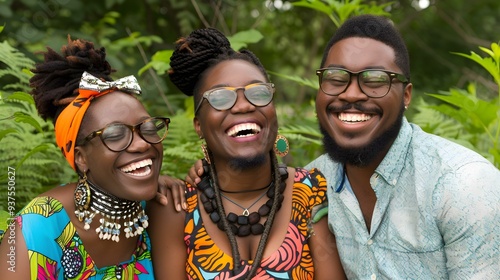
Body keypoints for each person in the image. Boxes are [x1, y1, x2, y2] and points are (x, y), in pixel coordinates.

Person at [185, 15, 500, 279]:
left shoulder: (463, 187)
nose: (351, 94)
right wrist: (210, 169)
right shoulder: (311, 187)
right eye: (336, 78)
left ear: (406, 95)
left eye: (375, 79)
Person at [147, 27, 346, 280]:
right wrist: (152, 183)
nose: (243, 105)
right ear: (198, 125)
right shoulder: (176, 208)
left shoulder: (310, 191)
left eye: (258, 92)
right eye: (220, 98)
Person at [0, 36, 170, 279]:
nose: (143, 144)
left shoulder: (160, 210)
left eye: (147, 128)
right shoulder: (35, 230)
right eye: (115, 135)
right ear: (81, 158)